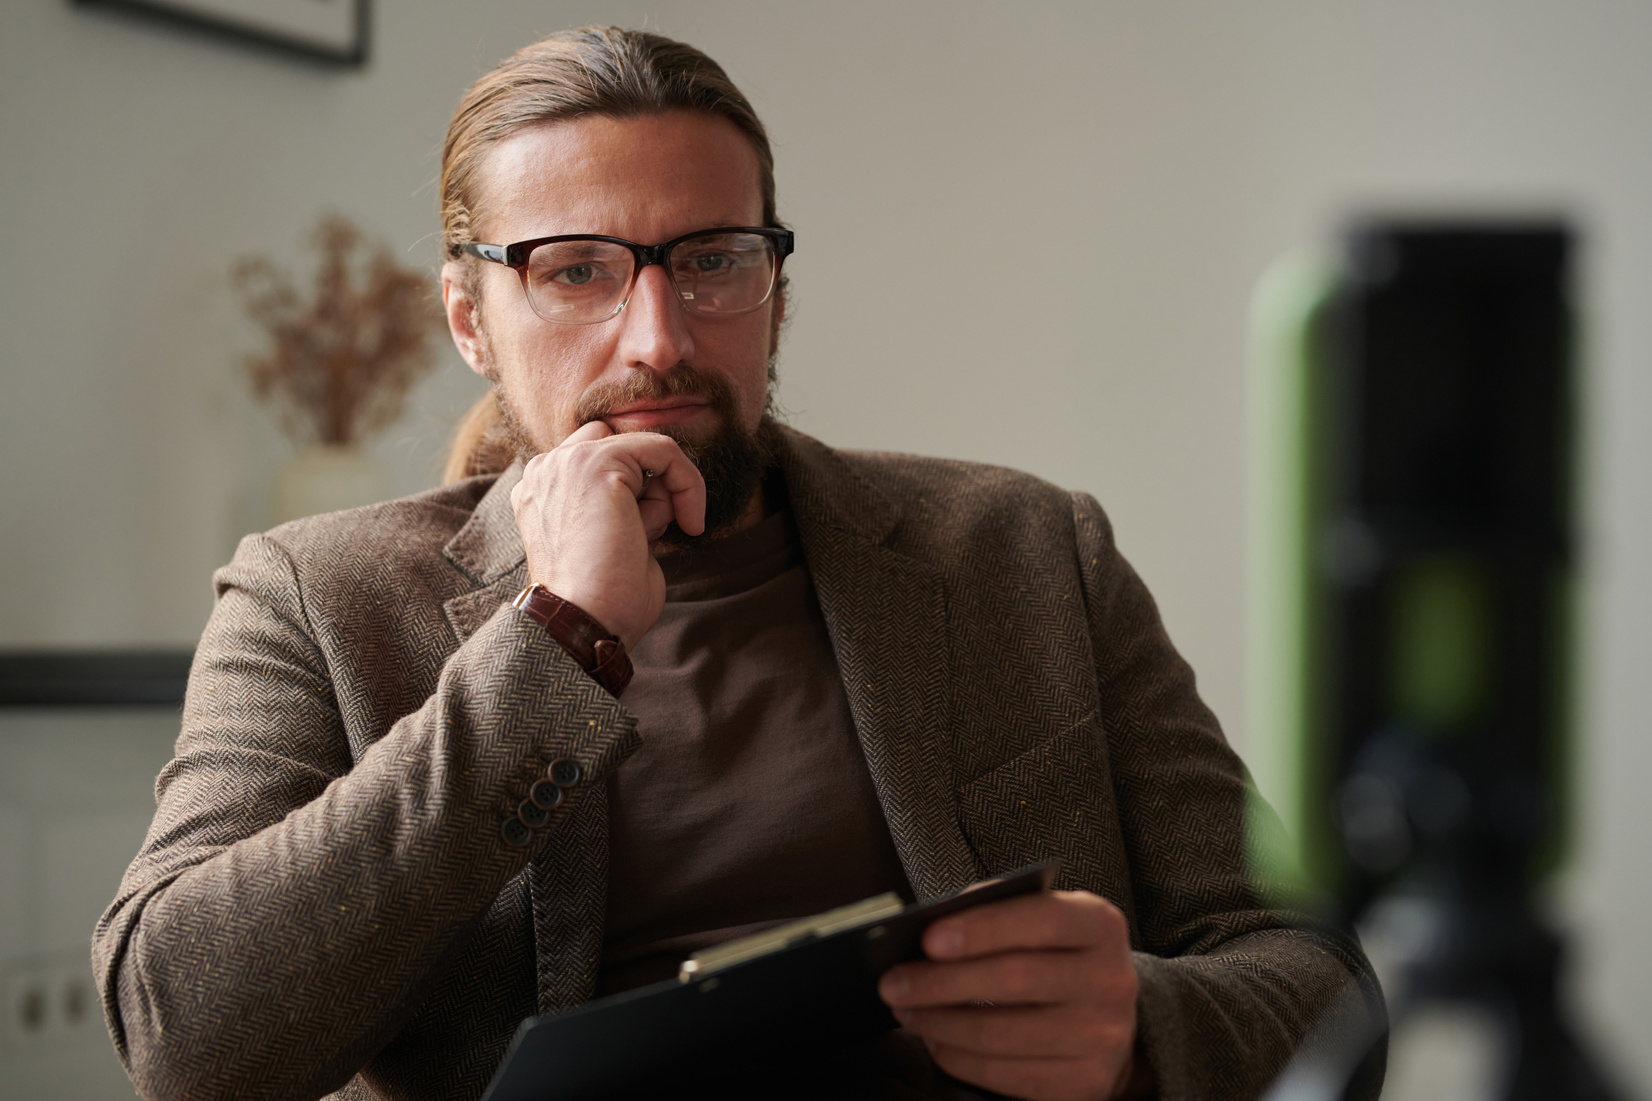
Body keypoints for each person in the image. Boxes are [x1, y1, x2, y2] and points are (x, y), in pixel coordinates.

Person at [94, 26, 1382, 1101]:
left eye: (712, 259)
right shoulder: (316, 597)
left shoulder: (1026, 551)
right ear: (470, 317)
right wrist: (554, 644)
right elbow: (187, 1041)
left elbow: (1319, 981)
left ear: (776, 287)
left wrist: (1143, 1033)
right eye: (575, 271)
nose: (658, 335)